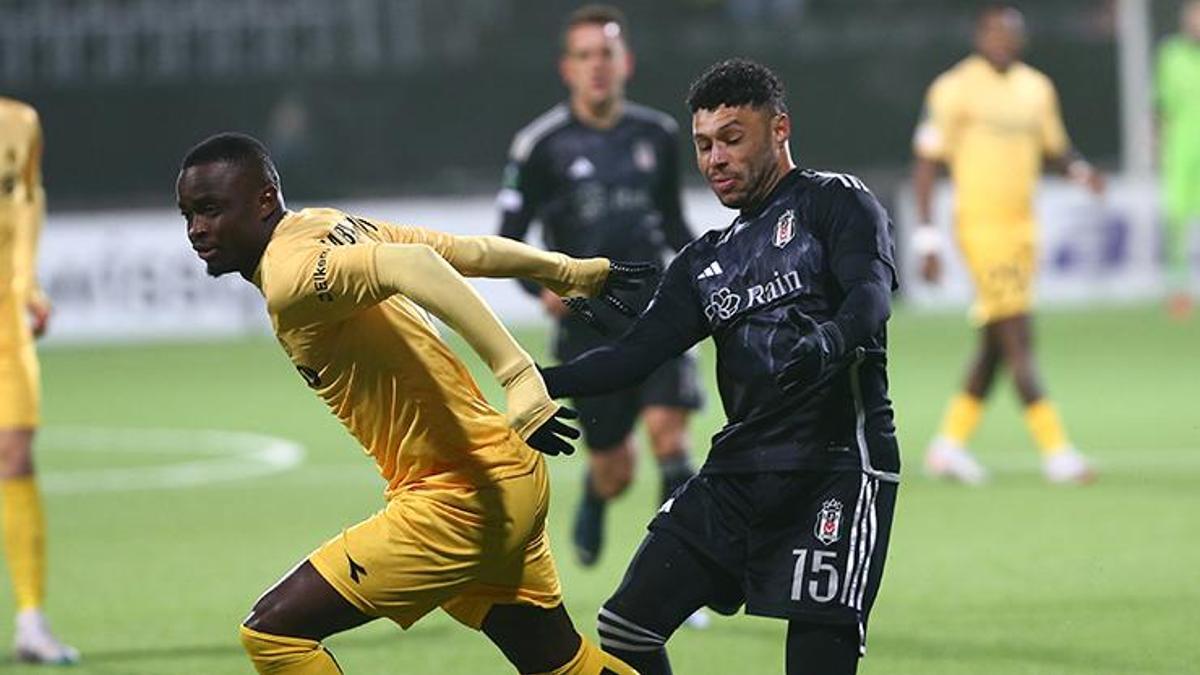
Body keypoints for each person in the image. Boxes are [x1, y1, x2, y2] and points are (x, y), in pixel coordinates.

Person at [176, 132, 651, 675]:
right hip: (505, 471)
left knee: (273, 634)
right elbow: (462, 251)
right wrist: (566, 271)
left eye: (211, 210)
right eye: (188, 214)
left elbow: (421, 264)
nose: (197, 230)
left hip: (457, 499)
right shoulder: (329, 225)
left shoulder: (291, 276)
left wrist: (519, 374)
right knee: (560, 665)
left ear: (264, 200)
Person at [541, 58, 900, 675]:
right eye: (704, 145)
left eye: (733, 139)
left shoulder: (833, 202)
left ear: (779, 128)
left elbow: (869, 293)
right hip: (738, 471)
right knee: (625, 625)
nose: (715, 159)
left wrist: (829, 342)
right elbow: (633, 357)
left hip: (835, 464)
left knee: (817, 659)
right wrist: (537, 382)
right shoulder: (706, 261)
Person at [498, 4, 703, 574]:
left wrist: (707, 265)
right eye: (585, 56)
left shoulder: (658, 135)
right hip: (587, 324)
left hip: (658, 308)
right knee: (618, 470)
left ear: (625, 62)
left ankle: (680, 575)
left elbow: (671, 219)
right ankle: (595, 491)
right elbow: (507, 242)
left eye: (606, 54)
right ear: (568, 68)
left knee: (669, 434)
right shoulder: (540, 145)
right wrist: (539, 288)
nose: (597, 66)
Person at [912, 3, 1105, 485]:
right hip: (980, 227)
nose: (1002, 39)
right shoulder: (954, 88)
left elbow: (1055, 149)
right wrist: (927, 238)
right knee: (1018, 334)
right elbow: (926, 164)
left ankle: (948, 447)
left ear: (1021, 40)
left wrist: (1081, 173)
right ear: (980, 36)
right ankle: (1057, 451)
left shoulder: (1037, 89)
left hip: (1024, 229)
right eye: (994, 31)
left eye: (1010, 33)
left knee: (996, 343)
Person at [0, 97, 79, 665]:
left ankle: (30, 621)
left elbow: (28, 199)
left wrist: (27, 286)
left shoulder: (21, 122)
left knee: (16, 454)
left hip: (5, 315)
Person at [1156, 0, 1200, 319]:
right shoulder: (1170, 55)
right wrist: (1159, 143)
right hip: (1180, 150)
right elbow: (1161, 106)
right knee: (1177, 221)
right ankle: (1179, 291)